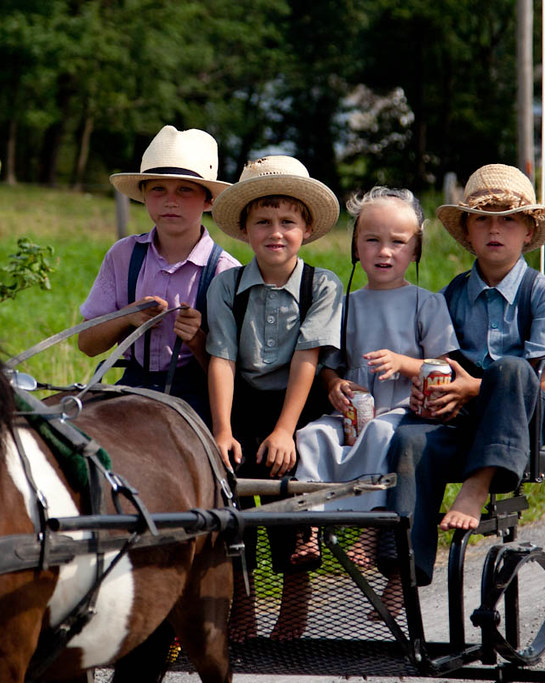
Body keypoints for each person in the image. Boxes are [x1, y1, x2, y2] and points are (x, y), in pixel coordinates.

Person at [385, 163, 545, 587]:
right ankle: (403, 565)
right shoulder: (453, 294)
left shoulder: (542, 293)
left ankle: (478, 484)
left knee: (512, 369)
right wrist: (431, 385)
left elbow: (540, 380)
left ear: (528, 232)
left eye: (508, 220)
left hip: (523, 418)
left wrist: (473, 387)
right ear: (469, 234)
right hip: (459, 418)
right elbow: (432, 357)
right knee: (409, 438)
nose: (496, 230)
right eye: (483, 221)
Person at [294, 188, 458, 612]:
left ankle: (368, 534)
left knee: (383, 437)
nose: (384, 252)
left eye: (398, 242)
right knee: (311, 437)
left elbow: (442, 364)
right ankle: (309, 527)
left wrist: (404, 363)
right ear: (355, 247)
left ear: (416, 249)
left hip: (403, 409)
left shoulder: (427, 303)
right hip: (353, 408)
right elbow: (330, 362)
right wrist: (333, 385)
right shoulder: (346, 305)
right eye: (371, 240)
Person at [206, 155, 343, 641]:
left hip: (298, 404)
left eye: (288, 221)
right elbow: (220, 358)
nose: (276, 232)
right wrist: (222, 429)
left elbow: (309, 356)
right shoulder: (226, 286)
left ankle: (292, 618)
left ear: (306, 228)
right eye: (262, 222)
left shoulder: (321, 284)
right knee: (231, 498)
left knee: (287, 491)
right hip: (240, 403)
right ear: (244, 230)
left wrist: (285, 430)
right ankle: (240, 612)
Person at [78, 125, 240, 423]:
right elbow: (87, 344)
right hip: (131, 384)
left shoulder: (225, 271)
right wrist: (126, 317)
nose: (170, 201)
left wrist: (197, 339)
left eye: (184, 190)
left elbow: (233, 373)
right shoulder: (123, 255)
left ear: (208, 200)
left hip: (197, 397)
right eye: (158, 189)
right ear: (144, 196)